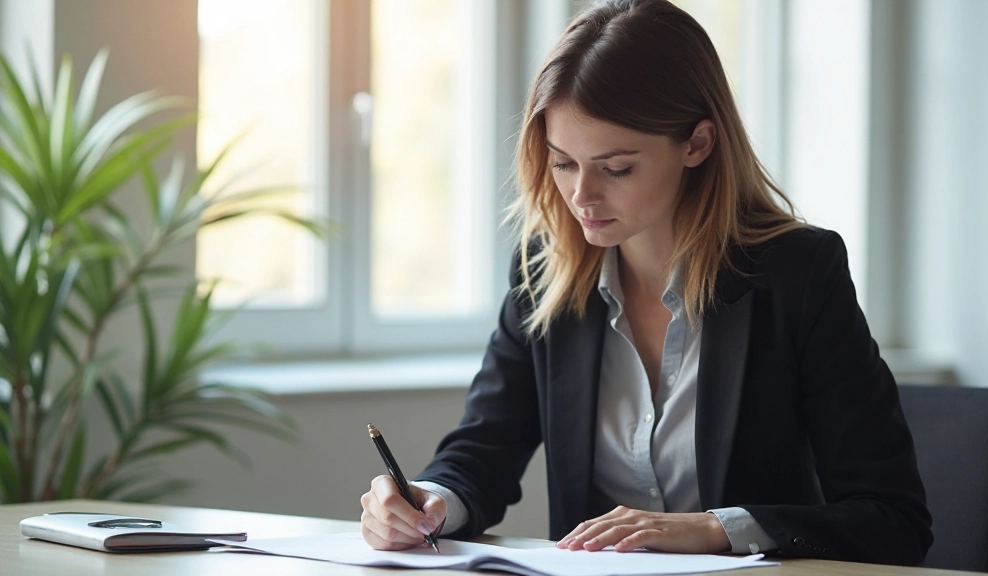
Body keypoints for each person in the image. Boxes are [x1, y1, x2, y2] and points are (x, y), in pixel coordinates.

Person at [359, 0, 932, 565]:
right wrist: (429, 502)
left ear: (698, 144)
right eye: (562, 162)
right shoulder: (545, 273)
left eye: (616, 167)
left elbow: (892, 519)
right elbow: (482, 452)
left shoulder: (799, 275)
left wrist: (712, 530)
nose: (582, 195)